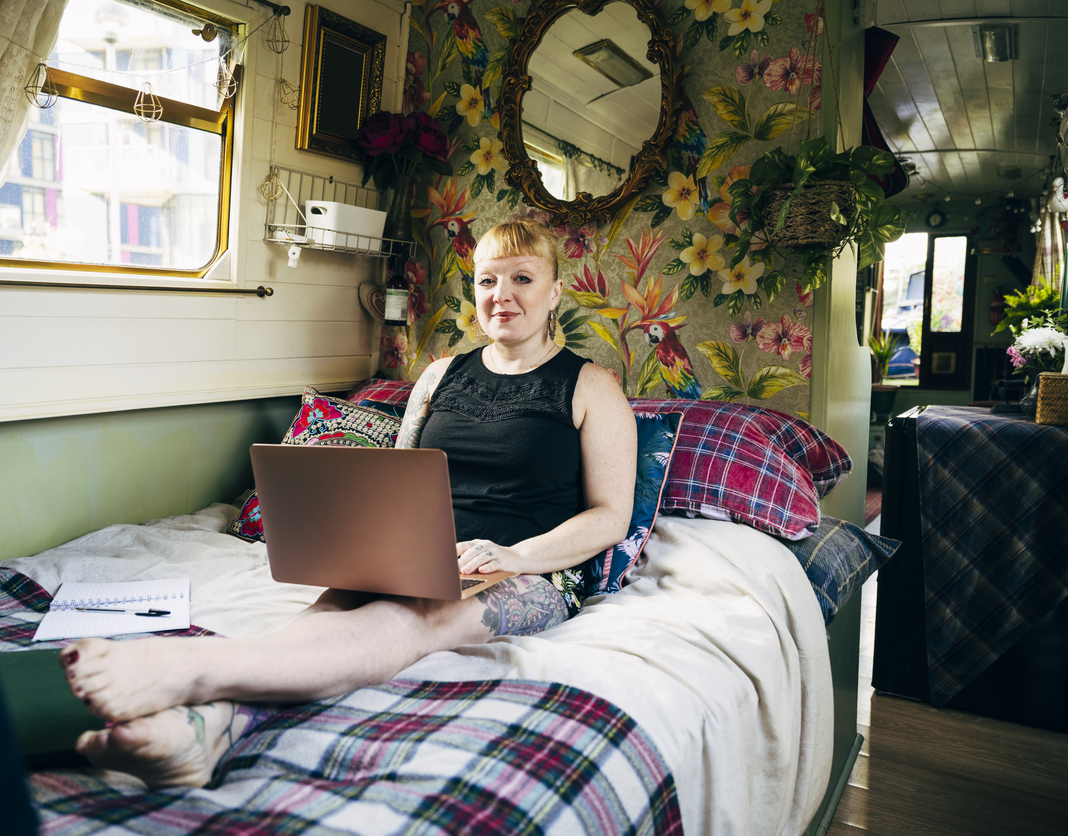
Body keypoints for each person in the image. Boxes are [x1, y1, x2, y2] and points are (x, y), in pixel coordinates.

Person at [60, 218, 637, 788]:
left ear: (555, 291)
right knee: (324, 617)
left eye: (522, 279)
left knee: (407, 620)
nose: (501, 296)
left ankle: (187, 672)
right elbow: (397, 478)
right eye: (487, 281)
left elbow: (609, 515)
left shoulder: (591, 387)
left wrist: (514, 555)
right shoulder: (438, 376)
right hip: (419, 555)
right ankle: (207, 730)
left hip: (527, 572)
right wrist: (364, 542)